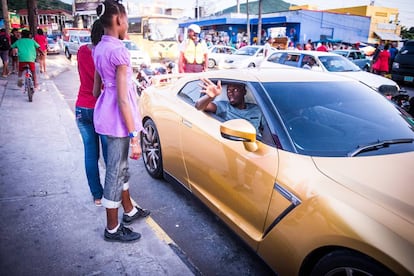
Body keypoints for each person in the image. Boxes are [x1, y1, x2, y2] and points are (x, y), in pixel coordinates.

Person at [92, 0, 150, 243]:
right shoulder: (119, 51)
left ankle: (129, 211)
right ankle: (112, 228)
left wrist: (113, 86)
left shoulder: (98, 48)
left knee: (119, 167)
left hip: (106, 114)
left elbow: (96, 90)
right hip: (119, 121)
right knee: (115, 172)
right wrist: (134, 137)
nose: (127, 23)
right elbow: (125, 102)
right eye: (126, 19)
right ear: (118, 21)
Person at [75, 20, 107, 207]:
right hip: (100, 108)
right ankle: (112, 196)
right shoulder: (103, 54)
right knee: (110, 156)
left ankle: (97, 195)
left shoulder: (81, 51)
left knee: (90, 154)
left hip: (81, 107)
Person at [195, 78, 263, 134]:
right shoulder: (223, 106)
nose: (231, 93)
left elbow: (266, 130)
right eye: (228, 90)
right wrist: (210, 97)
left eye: (235, 90)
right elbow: (199, 106)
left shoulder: (257, 109)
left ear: (244, 92)